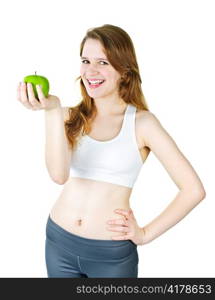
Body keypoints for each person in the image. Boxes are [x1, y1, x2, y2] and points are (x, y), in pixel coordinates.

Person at [17, 24, 206, 278]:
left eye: (103, 62)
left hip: (111, 258)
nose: (91, 70)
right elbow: (58, 176)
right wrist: (52, 109)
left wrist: (145, 234)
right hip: (58, 242)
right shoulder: (67, 116)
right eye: (86, 60)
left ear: (124, 70)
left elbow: (193, 190)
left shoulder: (143, 123)